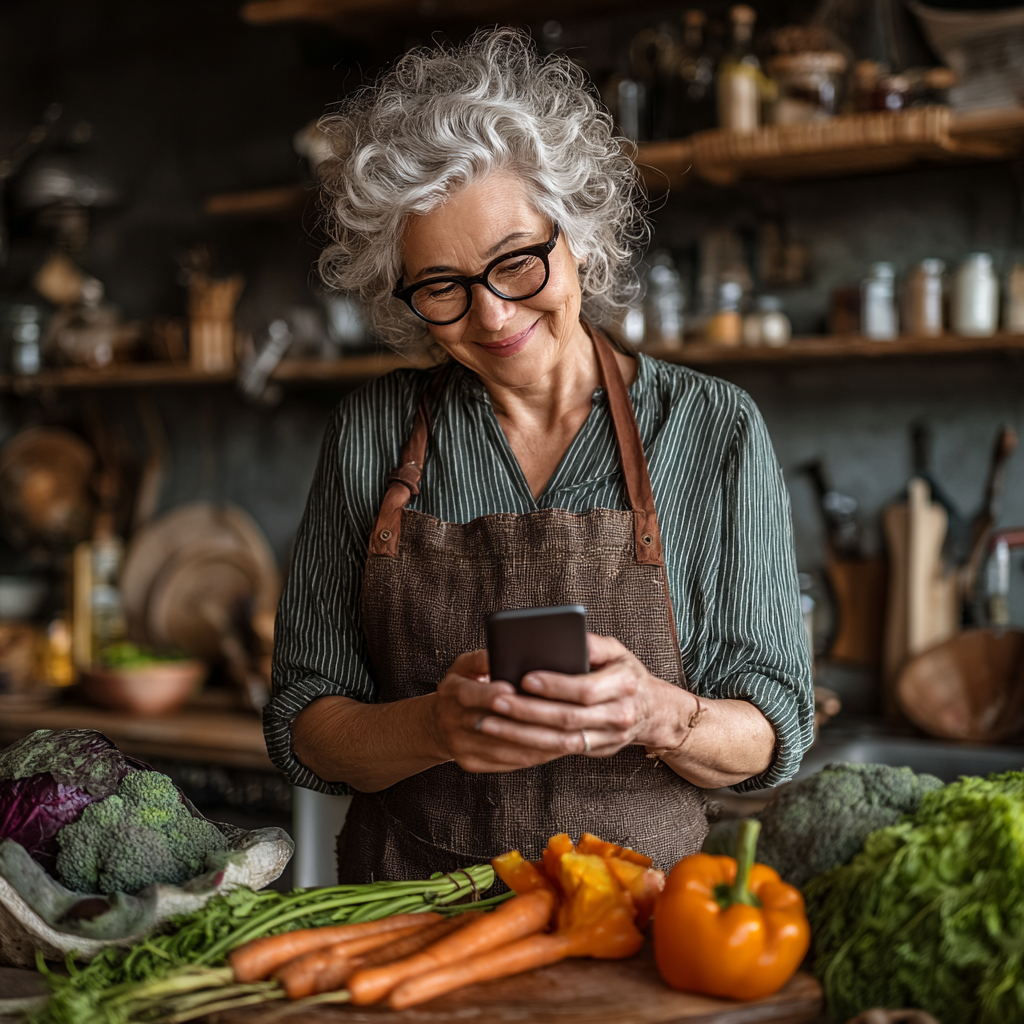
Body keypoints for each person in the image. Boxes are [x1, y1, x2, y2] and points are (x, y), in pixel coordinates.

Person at [265, 28, 813, 884]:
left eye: (516, 262)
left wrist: (658, 716)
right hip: (409, 922)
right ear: (404, 293)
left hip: (639, 930)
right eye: (442, 286)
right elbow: (304, 723)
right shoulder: (371, 434)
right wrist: (433, 729)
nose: (490, 316)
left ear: (580, 237)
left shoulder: (712, 429)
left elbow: (773, 731)